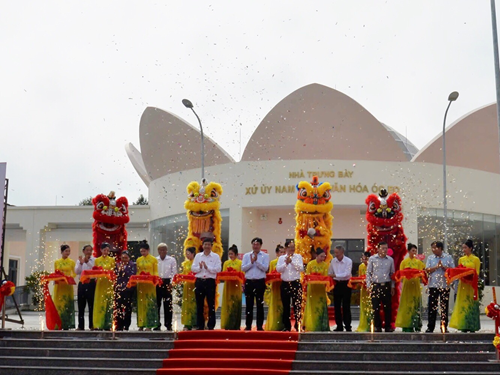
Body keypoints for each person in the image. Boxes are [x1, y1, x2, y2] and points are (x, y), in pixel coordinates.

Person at [449, 239, 481, 332]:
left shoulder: (476, 259)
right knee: (462, 304)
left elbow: (477, 273)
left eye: (465, 247)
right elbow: (459, 271)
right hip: (462, 284)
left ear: (470, 248)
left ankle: (472, 326)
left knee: (470, 303)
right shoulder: (461, 259)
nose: (463, 249)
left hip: (471, 285)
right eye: (463, 248)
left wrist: (469, 274)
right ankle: (463, 325)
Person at [425, 241, 454, 333]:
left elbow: (452, 270)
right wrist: (436, 267)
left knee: (444, 307)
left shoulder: (448, 257)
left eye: (435, 247)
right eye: (432, 248)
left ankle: (444, 327)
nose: (433, 249)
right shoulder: (430, 258)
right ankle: (430, 327)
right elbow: (427, 270)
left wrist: (444, 267)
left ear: (441, 248)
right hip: (433, 285)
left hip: (444, 285)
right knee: (432, 307)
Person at [192, 238, 221, 330]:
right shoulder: (198, 256)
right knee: (199, 304)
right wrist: (200, 268)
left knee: (211, 304)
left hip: (210, 282)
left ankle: (211, 325)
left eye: (209, 244)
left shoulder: (216, 256)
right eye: (205, 244)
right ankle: (200, 325)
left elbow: (218, 269)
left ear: (211, 246)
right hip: (199, 281)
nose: (207, 246)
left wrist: (207, 267)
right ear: (202, 245)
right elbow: (193, 268)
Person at [366, 241, 395, 332]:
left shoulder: (390, 260)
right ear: (378, 249)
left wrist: (392, 286)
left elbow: (392, 274)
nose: (384, 250)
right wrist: (368, 285)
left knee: (387, 307)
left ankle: (387, 326)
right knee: (375, 307)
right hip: (375, 285)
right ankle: (377, 326)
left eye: (386, 248)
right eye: (382, 248)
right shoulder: (372, 259)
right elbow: (368, 273)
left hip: (386, 285)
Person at [395, 243, 425, 332]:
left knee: (416, 304)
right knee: (406, 305)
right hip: (407, 286)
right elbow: (400, 275)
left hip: (415, 285)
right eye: (412, 250)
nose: (414, 252)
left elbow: (422, 275)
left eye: (415, 251)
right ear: (408, 251)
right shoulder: (404, 262)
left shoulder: (419, 262)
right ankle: (406, 325)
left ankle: (417, 324)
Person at [241, 237, 269, 331]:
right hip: (249, 282)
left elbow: (265, 268)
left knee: (260, 305)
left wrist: (256, 262)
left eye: (257, 244)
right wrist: (251, 262)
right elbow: (243, 268)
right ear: (252, 245)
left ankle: (259, 326)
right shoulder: (246, 256)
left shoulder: (265, 256)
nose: (255, 246)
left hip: (259, 282)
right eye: (254, 244)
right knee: (249, 305)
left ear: (261, 245)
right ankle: (248, 325)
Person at [277, 240, 304, 332]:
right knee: (286, 306)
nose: (292, 249)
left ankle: (298, 324)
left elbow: (301, 268)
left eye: (293, 247)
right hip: (285, 283)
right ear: (286, 248)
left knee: (297, 305)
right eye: (290, 247)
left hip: (295, 283)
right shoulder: (281, 258)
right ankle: (286, 326)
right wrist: (286, 263)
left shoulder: (298, 257)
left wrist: (291, 261)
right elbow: (278, 269)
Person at [304, 248, 330, 331]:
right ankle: (311, 325)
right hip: (312, 289)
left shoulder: (325, 265)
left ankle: (321, 325)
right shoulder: (310, 264)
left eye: (324, 257)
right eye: (321, 256)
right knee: (312, 307)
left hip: (320, 290)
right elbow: (307, 277)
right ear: (316, 255)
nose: (322, 258)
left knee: (320, 307)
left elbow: (325, 277)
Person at [328, 245, 353, 332]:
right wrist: (332, 276)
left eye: (337, 253)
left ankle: (348, 326)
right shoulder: (333, 261)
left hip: (346, 284)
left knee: (346, 306)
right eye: (335, 252)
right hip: (336, 284)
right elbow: (330, 272)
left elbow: (347, 274)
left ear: (342, 252)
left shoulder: (348, 261)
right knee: (337, 306)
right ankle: (339, 326)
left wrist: (335, 275)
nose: (336, 254)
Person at [136, 241, 159, 331]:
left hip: (150, 285)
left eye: (144, 251)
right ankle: (141, 324)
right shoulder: (138, 260)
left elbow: (156, 272)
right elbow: (138, 272)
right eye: (141, 251)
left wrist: (154, 280)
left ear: (148, 250)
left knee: (149, 303)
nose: (143, 253)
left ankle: (149, 325)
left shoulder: (153, 260)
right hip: (141, 285)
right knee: (141, 303)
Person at [93, 242, 116, 330]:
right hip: (100, 283)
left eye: (107, 250)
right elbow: (95, 271)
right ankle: (98, 324)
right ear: (101, 250)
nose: (106, 251)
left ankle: (108, 324)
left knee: (108, 302)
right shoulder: (97, 260)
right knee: (99, 302)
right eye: (104, 250)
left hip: (109, 283)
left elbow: (113, 271)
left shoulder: (112, 260)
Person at [155, 243, 177, 331]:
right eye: (161, 250)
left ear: (166, 250)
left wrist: (172, 283)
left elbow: (174, 272)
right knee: (157, 304)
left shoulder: (171, 260)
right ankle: (156, 324)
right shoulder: (155, 260)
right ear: (158, 251)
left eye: (164, 249)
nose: (162, 251)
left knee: (168, 304)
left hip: (168, 282)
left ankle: (168, 324)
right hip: (158, 282)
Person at [54, 244, 76, 330]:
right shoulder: (57, 262)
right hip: (59, 285)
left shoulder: (72, 262)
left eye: (69, 251)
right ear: (62, 252)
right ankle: (58, 323)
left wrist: (69, 277)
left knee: (67, 303)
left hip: (67, 285)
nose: (68, 253)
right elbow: (55, 273)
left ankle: (67, 324)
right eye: (66, 251)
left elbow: (74, 273)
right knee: (59, 304)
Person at [220, 245, 243, 330]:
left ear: (236, 254)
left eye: (232, 254)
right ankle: (227, 324)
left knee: (235, 304)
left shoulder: (240, 263)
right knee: (228, 304)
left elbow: (242, 274)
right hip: (228, 286)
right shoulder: (226, 263)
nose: (230, 256)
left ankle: (236, 325)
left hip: (236, 286)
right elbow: (223, 273)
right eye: (229, 254)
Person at [114, 251, 136, 331]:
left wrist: (124, 270)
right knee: (118, 307)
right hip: (119, 288)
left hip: (128, 289)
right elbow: (115, 275)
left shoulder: (133, 265)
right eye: (122, 258)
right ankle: (119, 324)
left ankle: (126, 325)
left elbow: (132, 274)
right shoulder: (117, 265)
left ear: (129, 258)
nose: (124, 259)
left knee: (127, 307)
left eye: (126, 258)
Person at [265, 244, 285, 331]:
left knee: (283, 304)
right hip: (275, 286)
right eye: (280, 252)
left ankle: (282, 324)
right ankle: (273, 324)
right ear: (277, 253)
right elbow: (269, 275)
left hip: (283, 285)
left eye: (283, 252)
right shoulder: (273, 262)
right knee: (274, 304)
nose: (282, 254)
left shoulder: (286, 261)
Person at [75, 244, 95, 330]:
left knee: (91, 305)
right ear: (83, 251)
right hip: (82, 284)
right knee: (81, 305)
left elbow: (94, 269)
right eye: (87, 250)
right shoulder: (79, 260)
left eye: (90, 250)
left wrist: (87, 262)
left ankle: (92, 325)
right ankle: (81, 325)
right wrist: (80, 263)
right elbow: (77, 271)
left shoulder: (94, 260)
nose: (89, 252)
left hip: (91, 283)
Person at [181, 247, 197, 330]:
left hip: (194, 285)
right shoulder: (185, 263)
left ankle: (194, 322)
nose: (187, 255)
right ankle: (186, 323)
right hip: (187, 285)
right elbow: (183, 274)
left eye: (188, 254)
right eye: (186, 254)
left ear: (193, 253)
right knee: (186, 303)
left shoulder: (196, 262)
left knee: (193, 303)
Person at [356, 251, 372, 332]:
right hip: (363, 288)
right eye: (363, 258)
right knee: (363, 306)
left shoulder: (372, 266)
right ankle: (363, 324)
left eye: (366, 259)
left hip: (370, 289)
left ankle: (370, 325)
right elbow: (359, 276)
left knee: (370, 306)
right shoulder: (360, 266)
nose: (364, 260)